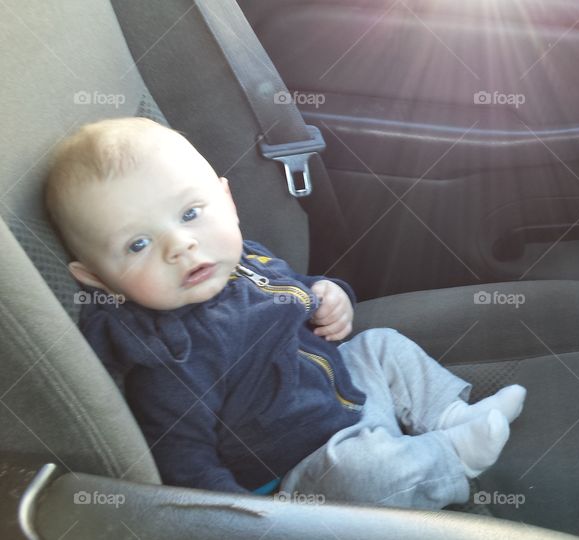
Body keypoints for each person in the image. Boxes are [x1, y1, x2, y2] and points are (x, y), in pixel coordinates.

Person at [45, 117, 526, 508]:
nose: (181, 245)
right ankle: (450, 458)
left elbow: (301, 294)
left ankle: (450, 414)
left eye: (191, 214)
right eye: (139, 243)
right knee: (369, 476)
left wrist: (333, 296)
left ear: (227, 202)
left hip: (343, 392)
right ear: (95, 277)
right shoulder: (169, 352)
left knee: (381, 346)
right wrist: (247, 518)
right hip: (307, 465)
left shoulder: (243, 259)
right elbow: (183, 461)